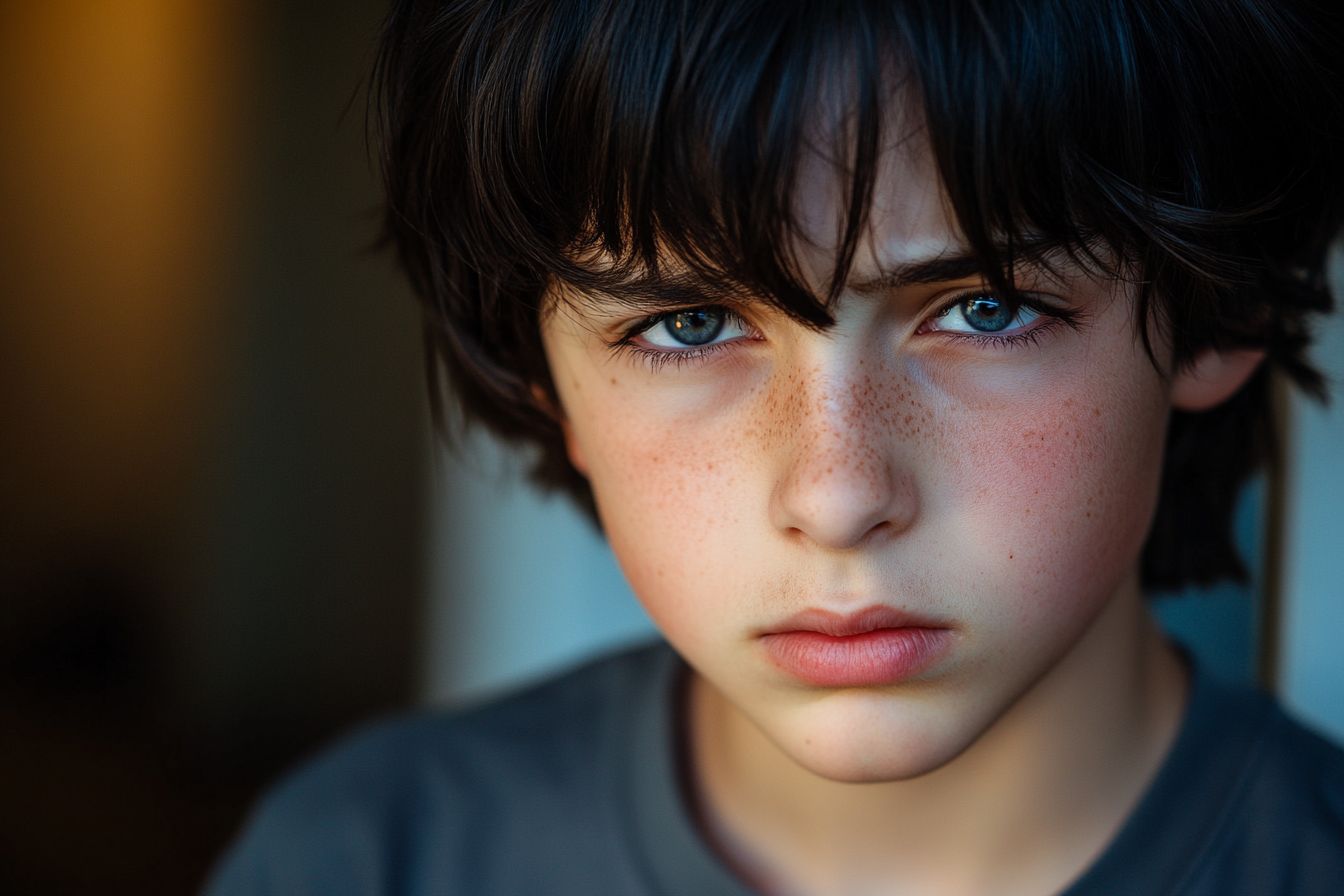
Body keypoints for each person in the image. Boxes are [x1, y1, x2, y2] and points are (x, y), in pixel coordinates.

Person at [204, 0, 1344, 893]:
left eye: (987, 307)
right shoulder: (362, 861)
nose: (839, 496)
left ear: (1216, 306)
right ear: (543, 369)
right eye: (689, 324)